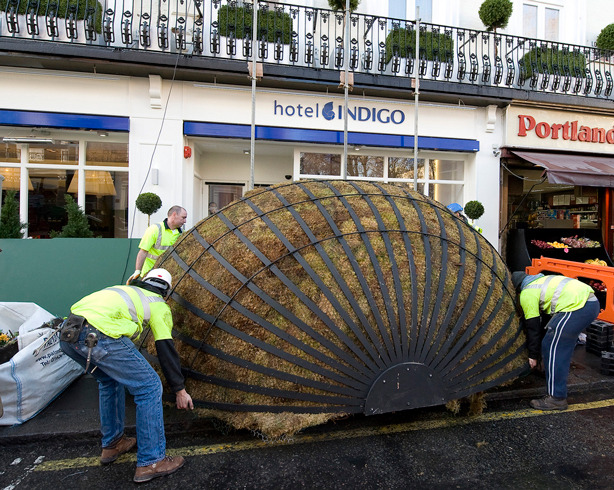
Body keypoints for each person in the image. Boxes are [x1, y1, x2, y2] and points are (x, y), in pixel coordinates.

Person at [59, 268, 194, 483]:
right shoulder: (158, 304)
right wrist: (179, 389)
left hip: (68, 334)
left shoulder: (125, 290)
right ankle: (152, 461)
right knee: (149, 387)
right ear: (166, 291)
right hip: (99, 335)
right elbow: (165, 348)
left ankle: (113, 444)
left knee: (109, 381)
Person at [512, 271, 600, 411]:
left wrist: (533, 355)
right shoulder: (541, 281)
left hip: (577, 306)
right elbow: (546, 323)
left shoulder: (527, 293)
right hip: (590, 303)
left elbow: (533, 327)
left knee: (554, 346)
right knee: (552, 341)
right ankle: (548, 371)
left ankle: (556, 398)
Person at [127, 206, 187, 283]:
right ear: (174, 215)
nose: (185, 221)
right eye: (183, 217)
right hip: (150, 275)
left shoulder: (182, 233)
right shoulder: (155, 229)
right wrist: (137, 270)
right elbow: (143, 251)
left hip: (169, 276)